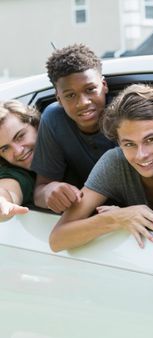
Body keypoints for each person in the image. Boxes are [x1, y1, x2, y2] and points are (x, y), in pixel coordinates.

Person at [49, 84, 153, 252]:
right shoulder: (116, 162)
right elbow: (58, 239)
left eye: (150, 140)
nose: (141, 154)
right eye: (129, 144)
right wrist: (117, 218)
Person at [31, 43, 116, 213]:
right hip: (88, 219)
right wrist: (50, 191)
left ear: (104, 85)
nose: (83, 102)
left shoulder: (124, 113)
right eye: (70, 95)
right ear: (58, 99)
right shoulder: (54, 119)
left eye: (91, 89)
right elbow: (40, 190)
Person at [0, 100, 40, 221]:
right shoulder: (16, 173)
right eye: (5, 148)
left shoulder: (67, 140)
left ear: (36, 125)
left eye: (20, 136)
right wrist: (3, 202)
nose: (18, 151)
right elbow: (6, 190)